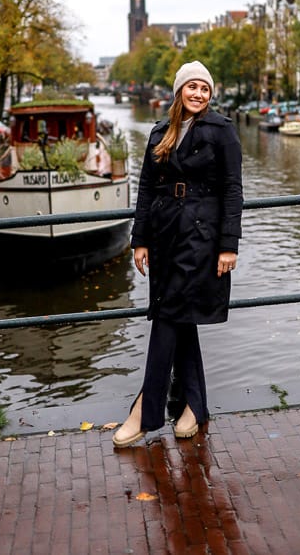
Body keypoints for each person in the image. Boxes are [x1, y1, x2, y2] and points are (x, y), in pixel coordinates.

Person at [113, 60, 243, 448]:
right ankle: (194, 407)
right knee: (180, 317)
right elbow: (147, 189)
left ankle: (145, 410)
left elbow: (233, 191)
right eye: (192, 87)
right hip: (166, 233)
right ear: (179, 91)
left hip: (201, 238)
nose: (199, 94)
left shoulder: (222, 131)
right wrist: (140, 239)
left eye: (205, 88)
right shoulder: (159, 132)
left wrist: (228, 245)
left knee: (168, 315)